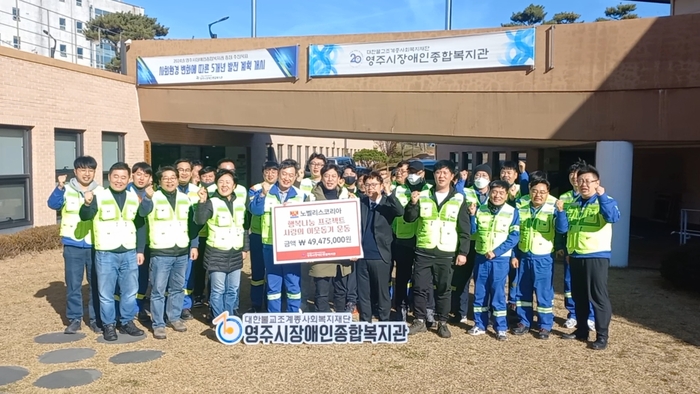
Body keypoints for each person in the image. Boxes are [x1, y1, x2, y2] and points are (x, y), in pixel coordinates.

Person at [404, 160, 471, 338]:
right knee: (419, 287)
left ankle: (442, 322)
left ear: (452, 176)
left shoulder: (459, 198)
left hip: (446, 251)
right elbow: (409, 218)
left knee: (443, 289)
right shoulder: (423, 194)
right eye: (438, 172)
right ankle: (419, 320)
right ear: (433, 175)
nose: (441, 176)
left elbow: (465, 229)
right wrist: (412, 203)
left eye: (445, 173)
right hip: (424, 249)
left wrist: (463, 252)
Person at [79, 162, 145, 341]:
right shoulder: (99, 196)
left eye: (124, 177)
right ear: (109, 177)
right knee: (106, 293)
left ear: (128, 179)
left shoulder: (133, 197)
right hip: (106, 252)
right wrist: (86, 203)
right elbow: (85, 216)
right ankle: (109, 325)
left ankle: (126, 322)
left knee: (130, 290)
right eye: (116, 176)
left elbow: (140, 224)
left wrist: (140, 250)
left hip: (129, 251)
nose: (119, 180)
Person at [561, 164, 620, 350]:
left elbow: (612, 217)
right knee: (579, 296)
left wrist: (602, 196)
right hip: (576, 255)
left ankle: (602, 335)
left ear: (597, 183)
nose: (583, 184)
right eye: (580, 181)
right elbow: (564, 229)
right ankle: (581, 330)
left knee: (598, 296)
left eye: (588, 181)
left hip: (596, 255)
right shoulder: (575, 202)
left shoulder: (606, 200)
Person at [139, 166, 200, 340]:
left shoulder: (184, 198)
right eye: (165, 178)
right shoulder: (153, 197)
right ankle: (158, 323)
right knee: (158, 289)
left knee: (177, 287)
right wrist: (148, 197)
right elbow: (142, 213)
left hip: (181, 249)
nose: (170, 180)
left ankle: (174, 317)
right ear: (159, 181)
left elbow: (192, 223)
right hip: (161, 251)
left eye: (173, 177)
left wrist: (194, 245)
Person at [47, 156, 103, 334]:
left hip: (95, 243)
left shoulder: (101, 191)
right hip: (73, 244)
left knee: (96, 284)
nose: (87, 174)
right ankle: (75, 319)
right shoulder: (67, 189)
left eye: (90, 170)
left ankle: (95, 319)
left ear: (94, 172)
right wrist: (60, 187)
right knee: (73, 284)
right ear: (75, 171)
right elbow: (52, 204)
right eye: (83, 170)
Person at [511, 177, 567, 340]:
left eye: (543, 192)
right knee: (522, 291)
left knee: (544, 293)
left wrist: (561, 212)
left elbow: (562, 229)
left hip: (543, 257)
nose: (538, 195)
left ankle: (544, 325)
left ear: (548, 193)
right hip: (523, 255)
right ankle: (524, 322)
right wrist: (515, 255)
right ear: (529, 191)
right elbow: (515, 233)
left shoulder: (554, 207)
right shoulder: (521, 206)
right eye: (535, 191)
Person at [249, 159, 306, 313]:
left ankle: (293, 316)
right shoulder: (266, 192)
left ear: (295, 177)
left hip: (292, 247)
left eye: (291, 175)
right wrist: (262, 194)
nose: (287, 178)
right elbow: (255, 210)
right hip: (270, 244)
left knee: (293, 284)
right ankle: (274, 318)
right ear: (279, 174)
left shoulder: (301, 195)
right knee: (273, 285)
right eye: (284, 174)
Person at [194, 169, 249, 321]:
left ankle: (230, 318)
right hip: (217, 252)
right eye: (221, 182)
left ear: (234, 185)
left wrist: (245, 248)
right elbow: (199, 220)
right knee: (218, 289)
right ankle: (219, 320)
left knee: (233, 289)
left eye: (228, 182)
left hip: (235, 252)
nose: (224, 185)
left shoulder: (240, 202)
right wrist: (202, 202)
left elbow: (243, 227)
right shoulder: (212, 202)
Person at [468, 180, 520, 341]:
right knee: (480, 292)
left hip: (500, 259)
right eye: (495, 192)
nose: (497, 196)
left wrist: (496, 252)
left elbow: (514, 237)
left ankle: (501, 327)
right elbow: (473, 232)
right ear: (490, 192)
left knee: (497, 293)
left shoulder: (512, 212)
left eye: (501, 193)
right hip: (481, 257)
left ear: (506, 195)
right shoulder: (480, 209)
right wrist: (471, 216)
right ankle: (479, 324)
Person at [306, 164, 357, 313]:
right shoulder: (311, 197)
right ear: (321, 177)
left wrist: (355, 249)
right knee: (321, 293)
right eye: (326, 176)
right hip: (320, 254)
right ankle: (324, 324)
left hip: (343, 255)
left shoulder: (347, 196)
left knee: (341, 291)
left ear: (339, 179)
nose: (330, 179)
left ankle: (340, 320)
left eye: (333, 176)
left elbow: (354, 225)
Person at [356, 171, 404, 322]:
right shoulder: (361, 202)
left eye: (374, 185)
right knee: (364, 292)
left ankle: (384, 321)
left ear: (381, 186)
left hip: (381, 255)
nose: (370, 188)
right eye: (367, 185)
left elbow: (400, 211)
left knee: (382, 292)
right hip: (362, 256)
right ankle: (365, 322)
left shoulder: (387, 203)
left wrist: (389, 193)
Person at [452, 163, 491, 324]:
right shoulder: (467, 192)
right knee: (462, 279)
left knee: (482, 281)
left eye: (484, 176)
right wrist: (461, 181)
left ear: (490, 179)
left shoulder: (495, 194)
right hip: (467, 242)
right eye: (477, 175)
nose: (480, 179)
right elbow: (458, 193)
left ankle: (482, 315)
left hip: (485, 244)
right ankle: (460, 312)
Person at [558, 160, 595, 331]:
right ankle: (572, 314)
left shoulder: (592, 196)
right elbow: (560, 225)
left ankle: (591, 317)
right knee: (569, 283)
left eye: (578, 174)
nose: (574, 177)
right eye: (572, 174)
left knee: (589, 284)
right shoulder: (564, 197)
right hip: (570, 247)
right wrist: (562, 247)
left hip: (589, 249)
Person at [392, 160, 430, 322]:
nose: (411, 175)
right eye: (409, 172)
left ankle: (424, 309)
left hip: (424, 238)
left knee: (423, 278)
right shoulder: (398, 190)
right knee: (402, 276)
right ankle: (401, 306)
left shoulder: (429, 190)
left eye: (415, 172)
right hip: (403, 239)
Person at [247, 161, 279, 312]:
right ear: (263, 173)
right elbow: (256, 210)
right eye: (267, 171)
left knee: (275, 273)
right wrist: (263, 194)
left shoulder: (282, 189)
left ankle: (273, 304)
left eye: (274, 171)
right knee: (258, 271)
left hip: (276, 237)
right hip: (258, 236)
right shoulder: (255, 189)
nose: (270, 174)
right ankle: (256, 303)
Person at [174, 159, 202, 320]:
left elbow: (197, 220)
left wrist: (194, 244)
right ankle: (170, 305)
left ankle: (185, 306)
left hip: (189, 238)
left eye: (187, 170)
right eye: (180, 169)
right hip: (169, 241)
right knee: (171, 276)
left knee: (187, 275)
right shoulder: (168, 189)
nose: (184, 172)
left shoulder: (197, 191)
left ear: (192, 172)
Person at [126, 162, 153, 323]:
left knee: (143, 276)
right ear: (132, 175)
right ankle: (125, 309)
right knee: (127, 277)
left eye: (146, 175)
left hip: (149, 242)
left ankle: (139, 306)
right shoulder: (126, 192)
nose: (142, 178)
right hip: (129, 242)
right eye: (138, 174)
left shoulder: (151, 193)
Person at [192, 165, 218, 308]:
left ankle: (212, 296)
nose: (207, 179)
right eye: (204, 176)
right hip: (200, 235)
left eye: (210, 176)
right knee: (200, 268)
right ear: (200, 177)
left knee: (214, 269)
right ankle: (198, 294)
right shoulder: (195, 192)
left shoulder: (219, 191)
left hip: (215, 236)